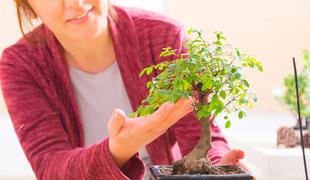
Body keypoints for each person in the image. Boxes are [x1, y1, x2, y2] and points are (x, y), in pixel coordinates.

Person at [0, 0, 256, 179]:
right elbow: (51, 168)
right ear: (26, 4)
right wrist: (118, 150)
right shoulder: (21, 65)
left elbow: (201, 136)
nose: (76, 3)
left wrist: (219, 168)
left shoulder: (162, 36)